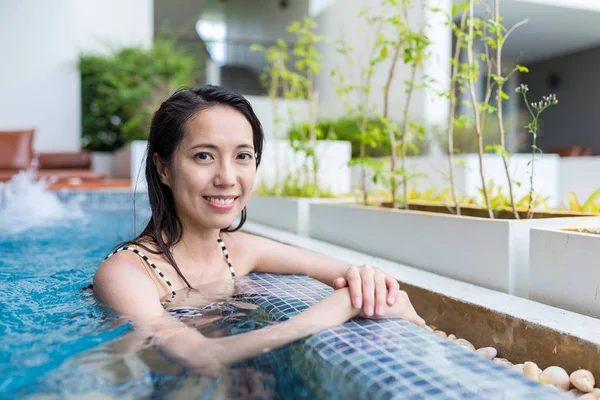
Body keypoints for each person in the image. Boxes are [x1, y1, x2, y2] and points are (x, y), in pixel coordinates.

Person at [93, 85, 425, 376]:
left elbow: (350, 272)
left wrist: (373, 284)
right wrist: (336, 309)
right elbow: (199, 356)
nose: (227, 177)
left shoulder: (239, 249)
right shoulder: (125, 273)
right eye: (204, 156)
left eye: (242, 156)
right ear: (163, 168)